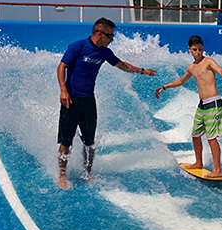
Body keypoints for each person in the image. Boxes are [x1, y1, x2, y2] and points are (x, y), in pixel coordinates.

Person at [57, 18, 156, 189]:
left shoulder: (104, 52)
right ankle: (62, 175)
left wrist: (141, 71)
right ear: (99, 33)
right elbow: (61, 67)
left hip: (88, 100)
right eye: (110, 36)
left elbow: (122, 65)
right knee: (66, 141)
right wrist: (63, 90)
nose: (112, 40)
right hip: (71, 99)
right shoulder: (78, 46)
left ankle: (87, 172)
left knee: (90, 142)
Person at [155, 35, 222, 178]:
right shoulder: (191, 67)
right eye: (195, 50)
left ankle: (217, 169)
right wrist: (164, 87)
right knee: (196, 135)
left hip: (213, 103)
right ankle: (198, 162)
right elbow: (181, 81)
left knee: (211, 138)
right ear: (189, 49)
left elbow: (221, 70)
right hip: (202, 105)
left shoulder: (208, 62)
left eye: (200, 49)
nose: (198, 52)